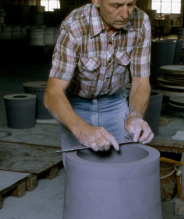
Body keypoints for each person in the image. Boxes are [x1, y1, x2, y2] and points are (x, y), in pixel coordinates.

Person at [44, 0, 154, 152]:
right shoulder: (75, 26)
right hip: (77, 106)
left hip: (116, 103)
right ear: (96, 1)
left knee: (121, 166)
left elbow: (141, 82)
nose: (125, 14)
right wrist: (82, 130)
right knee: (79, 170)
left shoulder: (141, 22)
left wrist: (135, 115)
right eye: (116, 6)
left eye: (130, 5)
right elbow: (52, 93)